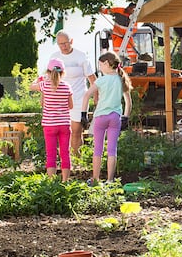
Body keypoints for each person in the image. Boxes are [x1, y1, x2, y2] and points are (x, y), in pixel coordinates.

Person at [80, 52, 132, 183]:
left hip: (100, 117)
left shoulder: (101, 80)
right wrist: (125, 117)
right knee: (112, 149)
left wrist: (83, 114)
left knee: (98, 149)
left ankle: (96, 179)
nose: (100, 67)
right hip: (115, 117)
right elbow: (128, 101)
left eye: (100, 64)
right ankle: (110, 180)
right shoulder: (121, 80)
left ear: (107, 64)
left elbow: (87, 96)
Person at [49, 31, 97, 156]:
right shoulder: (54, 57)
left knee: (76, 131)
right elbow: (49, 79)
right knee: (63, 131)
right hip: (60, 100)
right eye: (60, 44)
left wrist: (97, 97)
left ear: (71, 41)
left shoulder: (81, 56)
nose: (63, 46)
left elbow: (92, 79)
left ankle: (76, 157)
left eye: (65, 43)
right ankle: (65, 159)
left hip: (79, 98)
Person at [31, 59, 73, 180]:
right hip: (64, 124)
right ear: (63, 72)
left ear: (48, 72)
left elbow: (32, 87)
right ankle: (65, 181)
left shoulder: (44, 85)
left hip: (49, 124)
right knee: (65, 153)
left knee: (51, 154)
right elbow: (71, 106)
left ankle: (51, 183)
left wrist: (39, 79)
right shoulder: (67, 86)